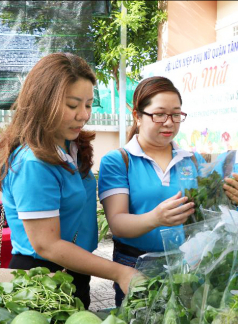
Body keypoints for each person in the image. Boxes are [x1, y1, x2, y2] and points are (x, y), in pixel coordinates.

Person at [0, 53, 136, 309]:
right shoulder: (33, 163)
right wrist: (121, 272)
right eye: (73, 105)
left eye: (88, 104)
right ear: (43, 103)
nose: (83, 115)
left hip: (75, 266)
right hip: (41, 278)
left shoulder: (69, 145)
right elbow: (47, 244)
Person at [98, 76, 238, 306]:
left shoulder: (194, 161)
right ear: (138, 116)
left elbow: (207, 216)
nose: (169, 122)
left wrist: (231, 199)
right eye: (159, 114)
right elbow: (117, 223)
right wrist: (155, 219)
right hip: (136, 268)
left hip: (187, 266)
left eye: (176, 114)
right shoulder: (119, 161)